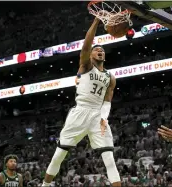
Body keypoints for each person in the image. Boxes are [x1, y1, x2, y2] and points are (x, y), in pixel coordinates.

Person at [42, 17, 121, 187]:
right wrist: (96, 22)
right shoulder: (86, 65)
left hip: (97, 114)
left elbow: (107, 101)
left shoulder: (111, 77)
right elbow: (87, 43)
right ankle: (45, 185)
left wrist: (104, 118)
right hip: (80, 110)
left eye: (102, 50)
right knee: (60, 154)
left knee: (109, 158)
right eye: (96, 50)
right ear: (91, 55)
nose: (100, 51)